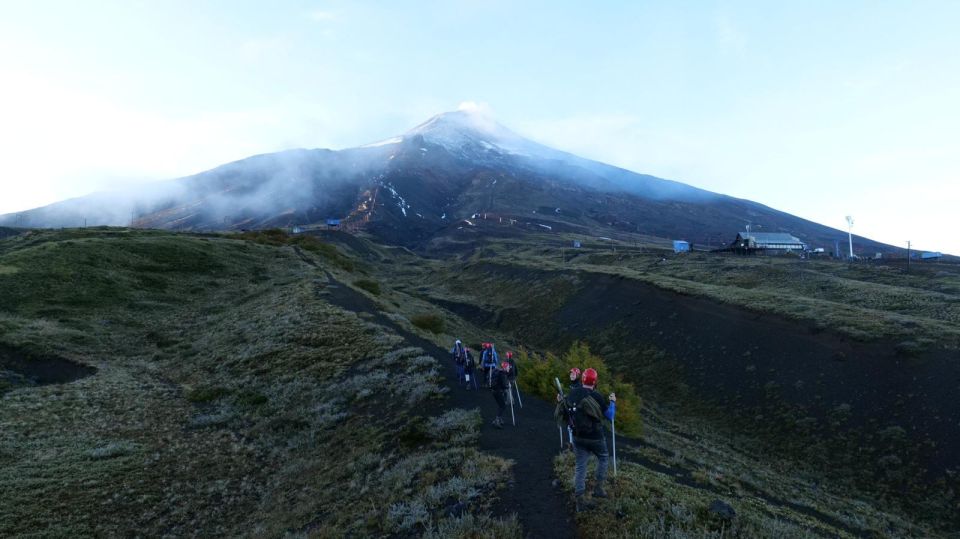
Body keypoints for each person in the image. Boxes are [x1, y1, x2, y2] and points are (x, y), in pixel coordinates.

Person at [559, 367, 616, 511]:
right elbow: (610, 416)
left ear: (583, 379)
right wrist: (613, 402)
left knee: (580, 466)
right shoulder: (596, 396)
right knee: (603, 458)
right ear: (595, 381)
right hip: (596, 437)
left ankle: (580, 500)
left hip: (577, 436)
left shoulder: (572, 393)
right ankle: (598, 489)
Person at [490, 361, 512, 428]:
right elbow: (504, 385)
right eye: (508, 367)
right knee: (503, 406)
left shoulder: (498, 372)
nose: (509, 368)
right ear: (505, 368)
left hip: (494, 391)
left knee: (501, 405)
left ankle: (499, 419)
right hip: (498, 392)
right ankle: (497, 420)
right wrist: (509, 386)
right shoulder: (503, 374)